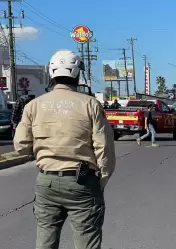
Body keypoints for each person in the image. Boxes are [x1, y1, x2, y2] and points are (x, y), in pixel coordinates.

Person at [13, 50, 116, 249]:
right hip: (82, 181)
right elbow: (104, 149)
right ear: (77, 74)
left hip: (46, 182)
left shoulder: (33, 106)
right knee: (87, 242)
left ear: (51, 73)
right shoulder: (90, 104)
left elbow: (21, 147)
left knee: (45, 242)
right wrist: (101, 180)